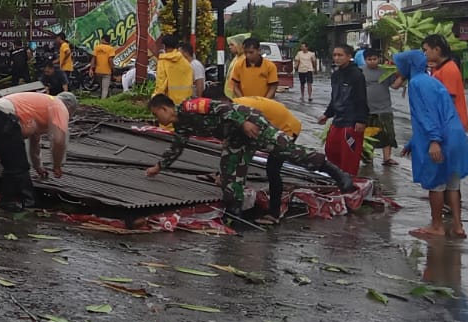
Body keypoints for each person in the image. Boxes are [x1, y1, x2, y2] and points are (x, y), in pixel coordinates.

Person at [146, 93, 350, 221]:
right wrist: (159, 166)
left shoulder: (191, 106)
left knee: (287, 151)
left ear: (165, 108)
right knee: (229, 171)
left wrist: (243, 123)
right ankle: (235, 212)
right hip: (235, 136)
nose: (158, 119)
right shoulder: (181, 125)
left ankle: (335, 172)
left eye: (157, 114)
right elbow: (177, 147)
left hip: (249, 122)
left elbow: (224, 107)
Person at [392, 50, 468, 239]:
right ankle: (458, 225)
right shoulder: (432, 81)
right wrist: (413, 142)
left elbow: (426, 115)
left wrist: (434, 141)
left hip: (439, 138)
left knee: (436, 185)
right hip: (454, 135)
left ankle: (437, 226)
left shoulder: (416, 84)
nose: (398, 68)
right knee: (453, 185)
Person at [234, 94, 354, 218]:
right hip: (274, 124)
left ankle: (274, 212)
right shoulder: (233, 105)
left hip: (285, 127)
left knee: (275, 168)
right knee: (269, 167)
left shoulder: (235, 110)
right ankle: (267, 210)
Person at [0, 90, 76, 210]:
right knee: (18, 166)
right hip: (5, 116)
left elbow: (34, 142)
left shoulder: (43, 106)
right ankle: (15, 202)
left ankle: (20, 200)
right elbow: (59, 141)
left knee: (13, 161)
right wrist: (57, 165)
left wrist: (38, 167)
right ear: (70, 109)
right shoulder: (60, 106)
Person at [319, 44, 368, 180]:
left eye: (340, 55)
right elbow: (334, 97)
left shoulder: (356, 75)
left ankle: (349, 184)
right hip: (338, 120)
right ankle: (335, 181)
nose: (336, 58)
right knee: (331, 151)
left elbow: (361, 98)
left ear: (349, 57)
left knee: (349, 158)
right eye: (334, 55)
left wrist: (361, 120)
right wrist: (327, 114)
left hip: (351, 123)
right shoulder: (336, 75)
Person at [362, 49, 400, 167]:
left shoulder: (385, 71)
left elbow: (394, 86)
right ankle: (368, 157)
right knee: (368, 135)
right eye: (369, 59)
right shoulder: (360, 72)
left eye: (374, 59)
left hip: (384, 108)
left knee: (387, 134)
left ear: (379, 59)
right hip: (367, 109)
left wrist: (403, 75)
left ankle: (387, 158)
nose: (372, 62)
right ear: (365, 60)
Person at [424, 34, 468, 131]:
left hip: (451, 126)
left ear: (436, 50)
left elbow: (448, 101)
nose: (425, 53)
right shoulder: (437, 68)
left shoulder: (449, 69)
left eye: (426, 50)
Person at [152, 33, 195, 103]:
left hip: (170, 102)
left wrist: (155, 98)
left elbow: (161, 83)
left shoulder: (163, 61)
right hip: (186, 102)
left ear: (164, 46)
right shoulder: (184, 62)